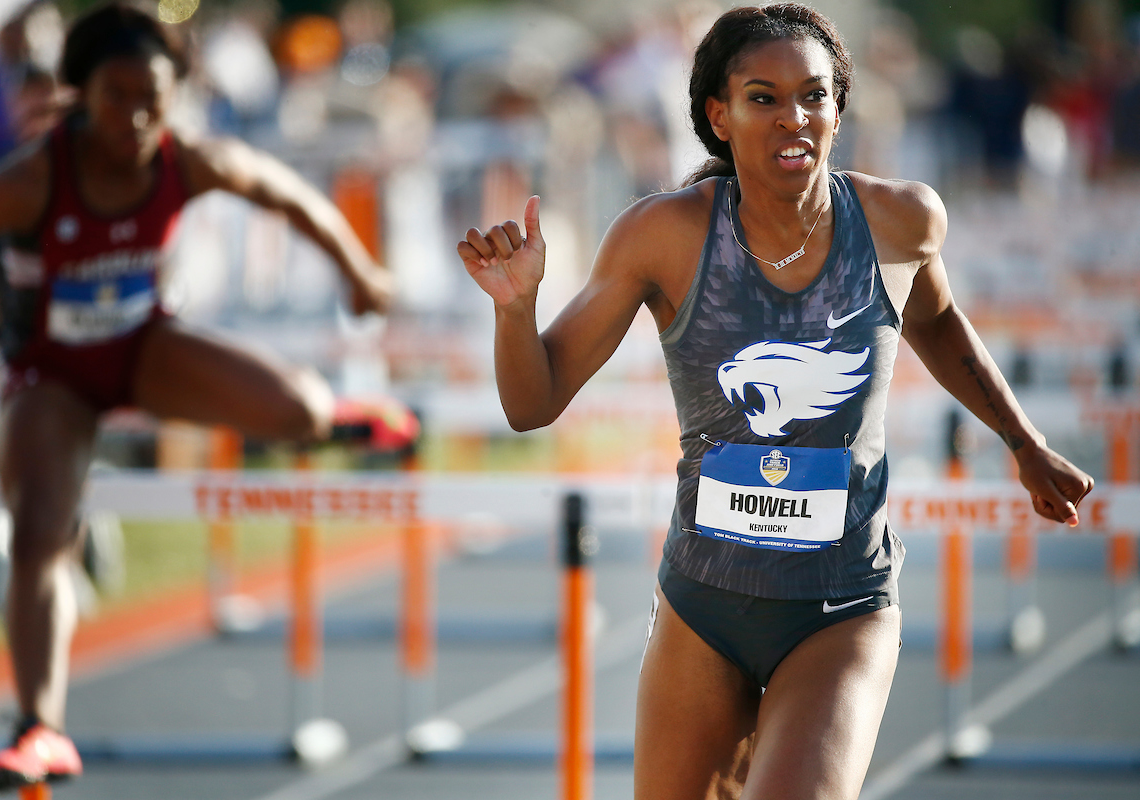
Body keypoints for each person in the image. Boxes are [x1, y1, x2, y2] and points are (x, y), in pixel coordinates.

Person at [458, 5, 1094, 799]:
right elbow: (533, 403)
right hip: (704, 607)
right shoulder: (664, 235)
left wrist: (1025, 443)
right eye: (764, 98)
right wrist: (515, 311)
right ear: (719, 116)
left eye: (814, 96)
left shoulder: (900, 222)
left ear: (839, 108)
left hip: (842, 605)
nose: (794, 117)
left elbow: (934, 320)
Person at [0, 2, 398, 791]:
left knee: (297, 414)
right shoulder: (28, 182)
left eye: (155, 96)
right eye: (118, 96)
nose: (139, 116)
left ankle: (334, 416)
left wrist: (359, 271)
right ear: (80, 96)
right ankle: (39, 728)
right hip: (48, 375)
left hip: (145, 349)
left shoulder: (185, 159)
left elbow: (287, 193)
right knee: (43, 529)